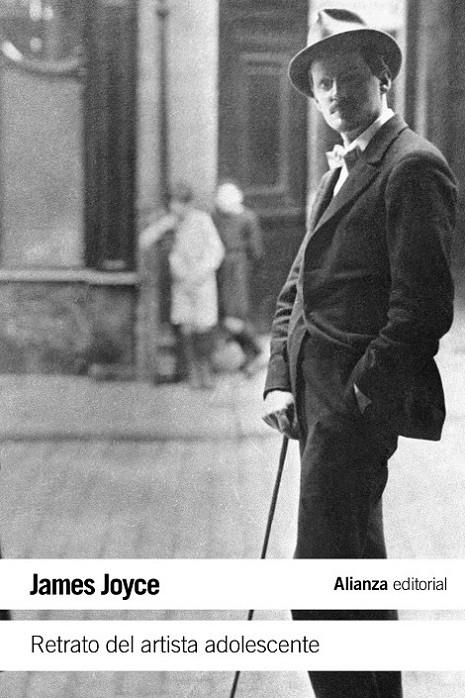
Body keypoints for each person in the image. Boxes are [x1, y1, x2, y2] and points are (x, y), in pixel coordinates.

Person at [262, 9, 456, 698]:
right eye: (323, 85)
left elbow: (422, 310)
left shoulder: (412, 166)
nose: (335, 95)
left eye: (348, 79)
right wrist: (279, 379)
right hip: (313, 402)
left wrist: (356, 399)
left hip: (351, 407)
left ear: (381, 79)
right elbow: (296, 286)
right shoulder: (337, 173)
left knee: (320, 585)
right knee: (356, 577)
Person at [140, 183, 224, 389]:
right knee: (186, 324)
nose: (177, 208)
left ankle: (206, 371)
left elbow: (215, 250)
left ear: (190, 204)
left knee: (203, 325)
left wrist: (201, 272)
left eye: (181, 204)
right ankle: (191, 371)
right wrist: (163, 225)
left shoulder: (202, 220)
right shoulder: (171, 222)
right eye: (174, 204)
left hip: (202, 280)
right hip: (181, 281)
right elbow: (145, 240)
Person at [212, 181, 264, 375]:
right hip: (223, 267)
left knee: (234, 314)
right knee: (227, 314)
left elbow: (256, 249)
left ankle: (254, 350)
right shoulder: (217, 217)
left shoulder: (247, 218)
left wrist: (246, 268)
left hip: (237, 269)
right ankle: (251, 353)